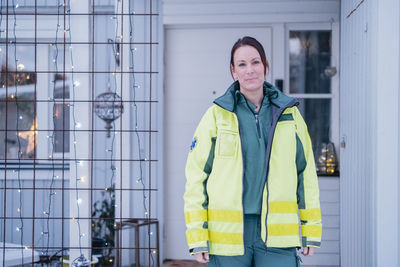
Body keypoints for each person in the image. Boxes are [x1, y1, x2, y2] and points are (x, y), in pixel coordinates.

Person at [183, 36, 322, 267]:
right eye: (242, 64)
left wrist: (311, 229)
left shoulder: (290, 115)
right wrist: (198, 236)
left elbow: (306, 175)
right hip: (227, 238)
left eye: (255, 62)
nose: (250, 70)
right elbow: (196, 178)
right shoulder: (216, 116)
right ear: (233, 71)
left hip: (278, 237)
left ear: (265, 66)